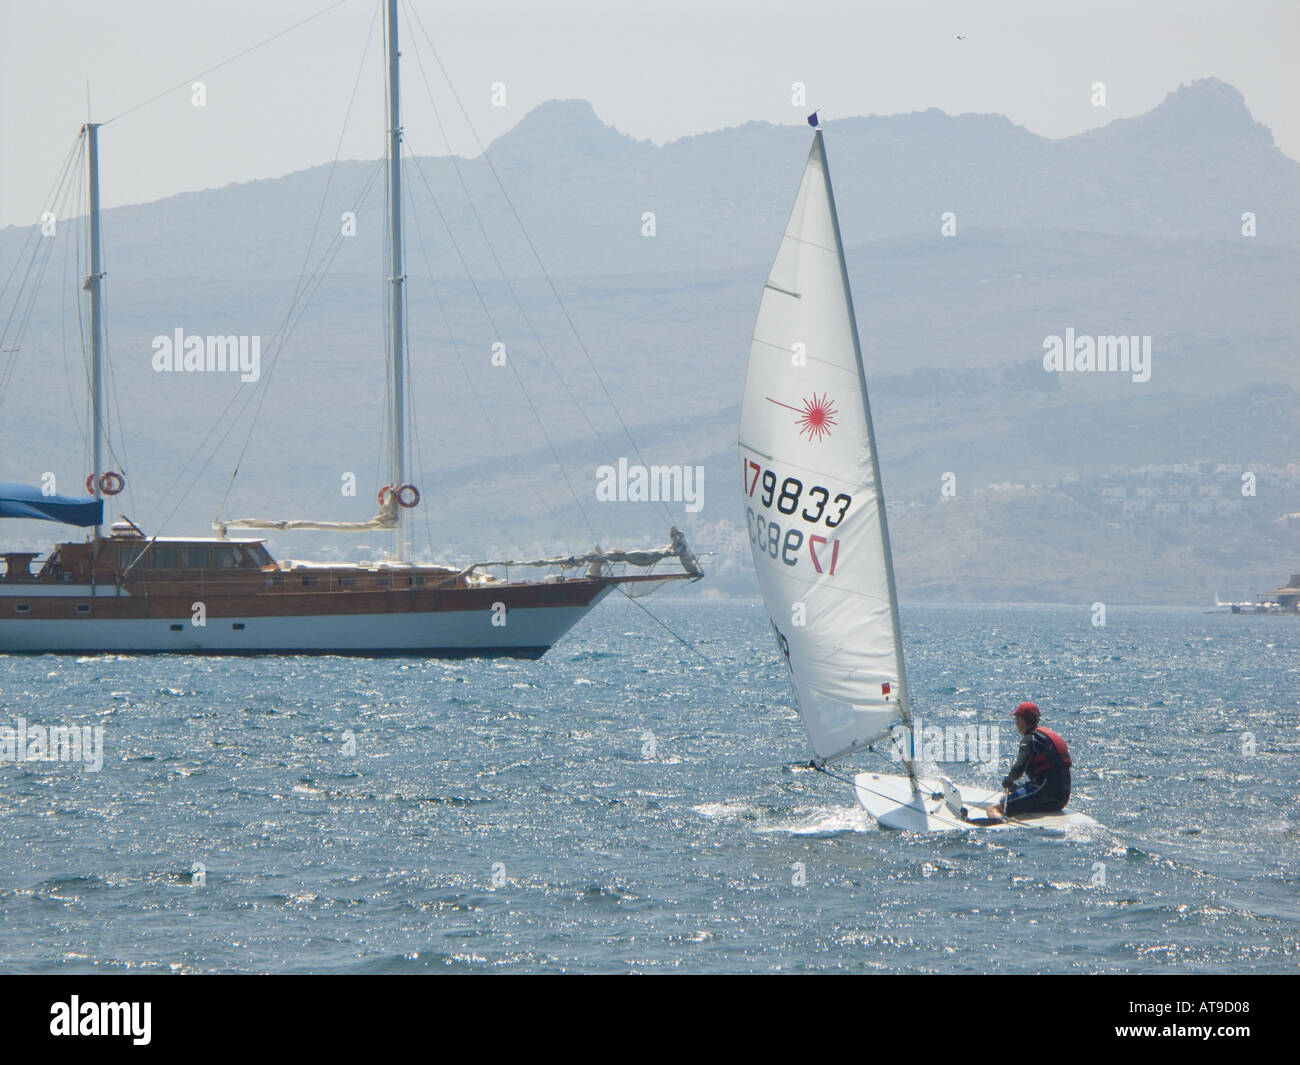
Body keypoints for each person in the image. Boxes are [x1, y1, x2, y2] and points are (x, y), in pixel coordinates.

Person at [986, 701, 1071, 822]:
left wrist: (1009, 780)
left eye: (1016, 720)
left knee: (994, 808)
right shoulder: (1045, 736)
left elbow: (1018, 769)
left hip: (1044, 794)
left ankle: (1002, 826)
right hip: (1062, 798)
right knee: (1021, 792)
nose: (1016, 724)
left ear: (1020, 720)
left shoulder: (1029, 739)